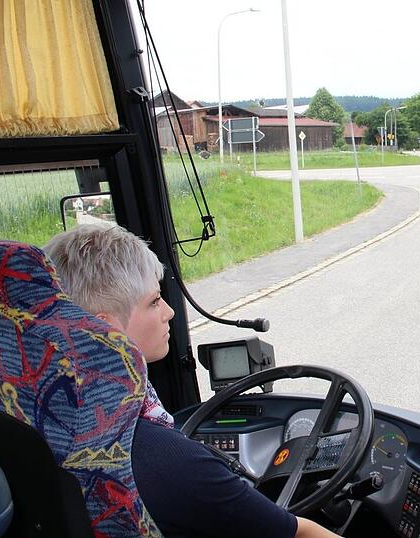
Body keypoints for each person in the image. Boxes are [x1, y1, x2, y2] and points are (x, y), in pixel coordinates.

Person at [43, 224, 337, 538]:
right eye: (154, 301)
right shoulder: (160, 459)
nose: (169, 311)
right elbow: (300, 533)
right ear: (103, 332)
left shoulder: (35, 419)